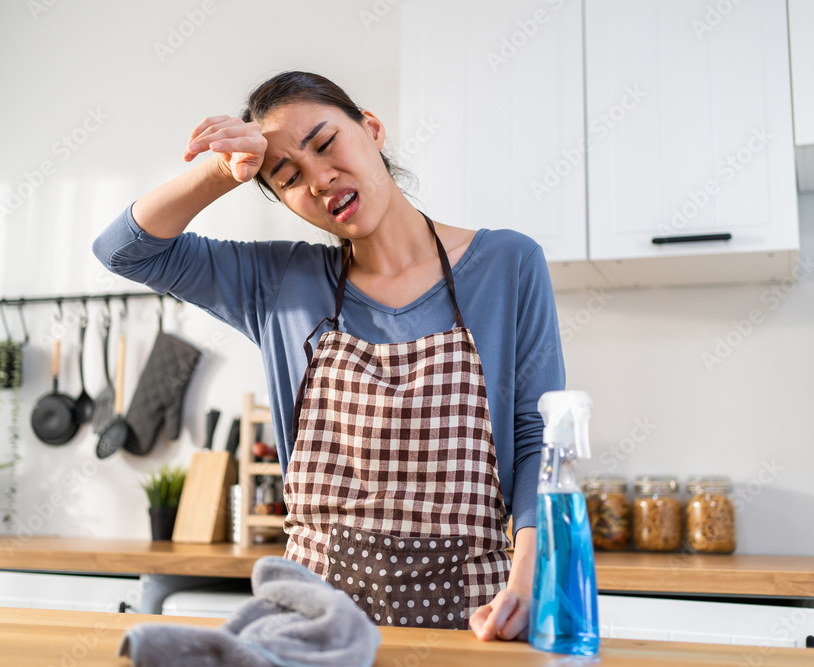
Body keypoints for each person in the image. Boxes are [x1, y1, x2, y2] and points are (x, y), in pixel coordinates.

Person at [93, 71, 565, 640]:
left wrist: (528, 575)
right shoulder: (281, 283)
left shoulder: (508, 263)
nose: (319, 179)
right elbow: (124, 250)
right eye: (288, 177)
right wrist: (219, 170)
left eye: (325, 144)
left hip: (475, 618)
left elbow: (538, 438)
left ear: (371, 128)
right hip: (312, 624)